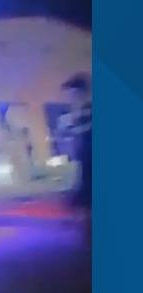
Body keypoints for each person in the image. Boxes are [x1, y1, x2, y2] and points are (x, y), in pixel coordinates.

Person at [60, 73, 92, 247]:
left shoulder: (88, 112)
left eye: (72, 93)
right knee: (84, 201)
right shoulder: (76, 115)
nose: (70, 98)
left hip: (91, 161)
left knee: (85, 200)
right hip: (84, 162)